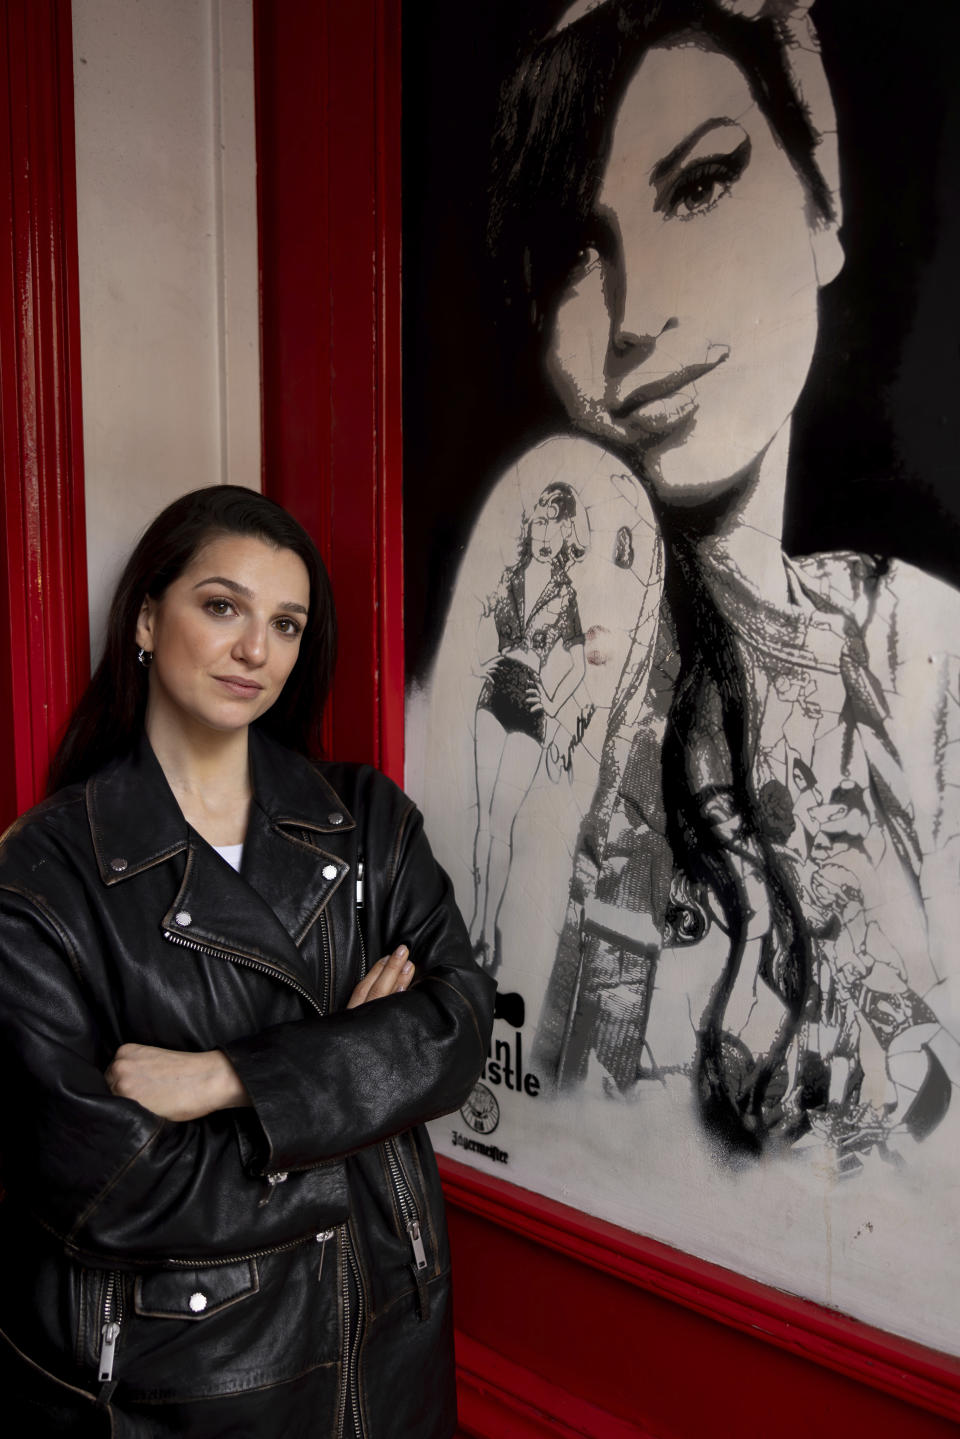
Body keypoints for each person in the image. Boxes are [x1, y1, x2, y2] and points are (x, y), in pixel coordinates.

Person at [432, 0, 960, 1164]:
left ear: (818, 184)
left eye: (703, 183)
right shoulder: (556, 604)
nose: (635, 315)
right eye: (577, 250)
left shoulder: (920, 641)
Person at [0, 485, 495, 1436]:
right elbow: (105, 1183)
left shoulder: (366, 822)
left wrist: (227, 1077)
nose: (255, 650)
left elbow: (461, 1020)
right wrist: (361, 1075)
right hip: (199, 1377)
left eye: (286, 622)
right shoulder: (47, 872)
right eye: (222, 606)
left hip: (393, 1347)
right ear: (147, 616)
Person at [469, 481, 587, 971]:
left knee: (503, 820)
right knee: (484, 819)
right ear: (531, 527)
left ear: (565, 534)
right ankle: (477, 923)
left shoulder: (568, 592)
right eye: (539, 523)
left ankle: (487, 926)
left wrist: (554, 704)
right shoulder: (508, 577)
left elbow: (578, 663)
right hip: (493, 696)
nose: (545, 535)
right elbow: (481, 625)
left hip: (531, 710)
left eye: (555, 527)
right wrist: (480, 664)